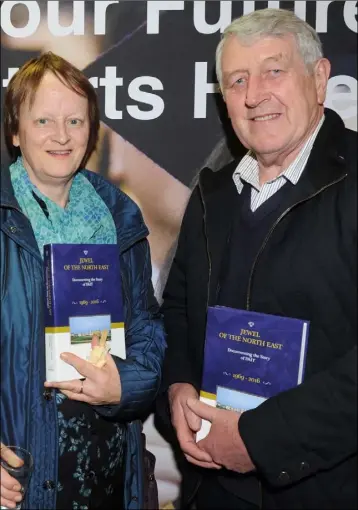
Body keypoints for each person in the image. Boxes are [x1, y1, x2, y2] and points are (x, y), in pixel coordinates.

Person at [159, 8, 357, 510]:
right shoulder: (213, 195)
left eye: (274, 70)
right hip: (211, 489)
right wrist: (177, 385)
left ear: (318, 78)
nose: (253, 95)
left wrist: (261, 440)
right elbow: (179, 310)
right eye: (237, 80)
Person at [0, 52, 166, 510]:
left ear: (91, 131)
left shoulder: (121, 218)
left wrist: (125, 386)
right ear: (16, 132)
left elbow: (147, 327)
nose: (60, 135)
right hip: (21, 474)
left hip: (107, 471)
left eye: (75, 121)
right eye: (44, 120)